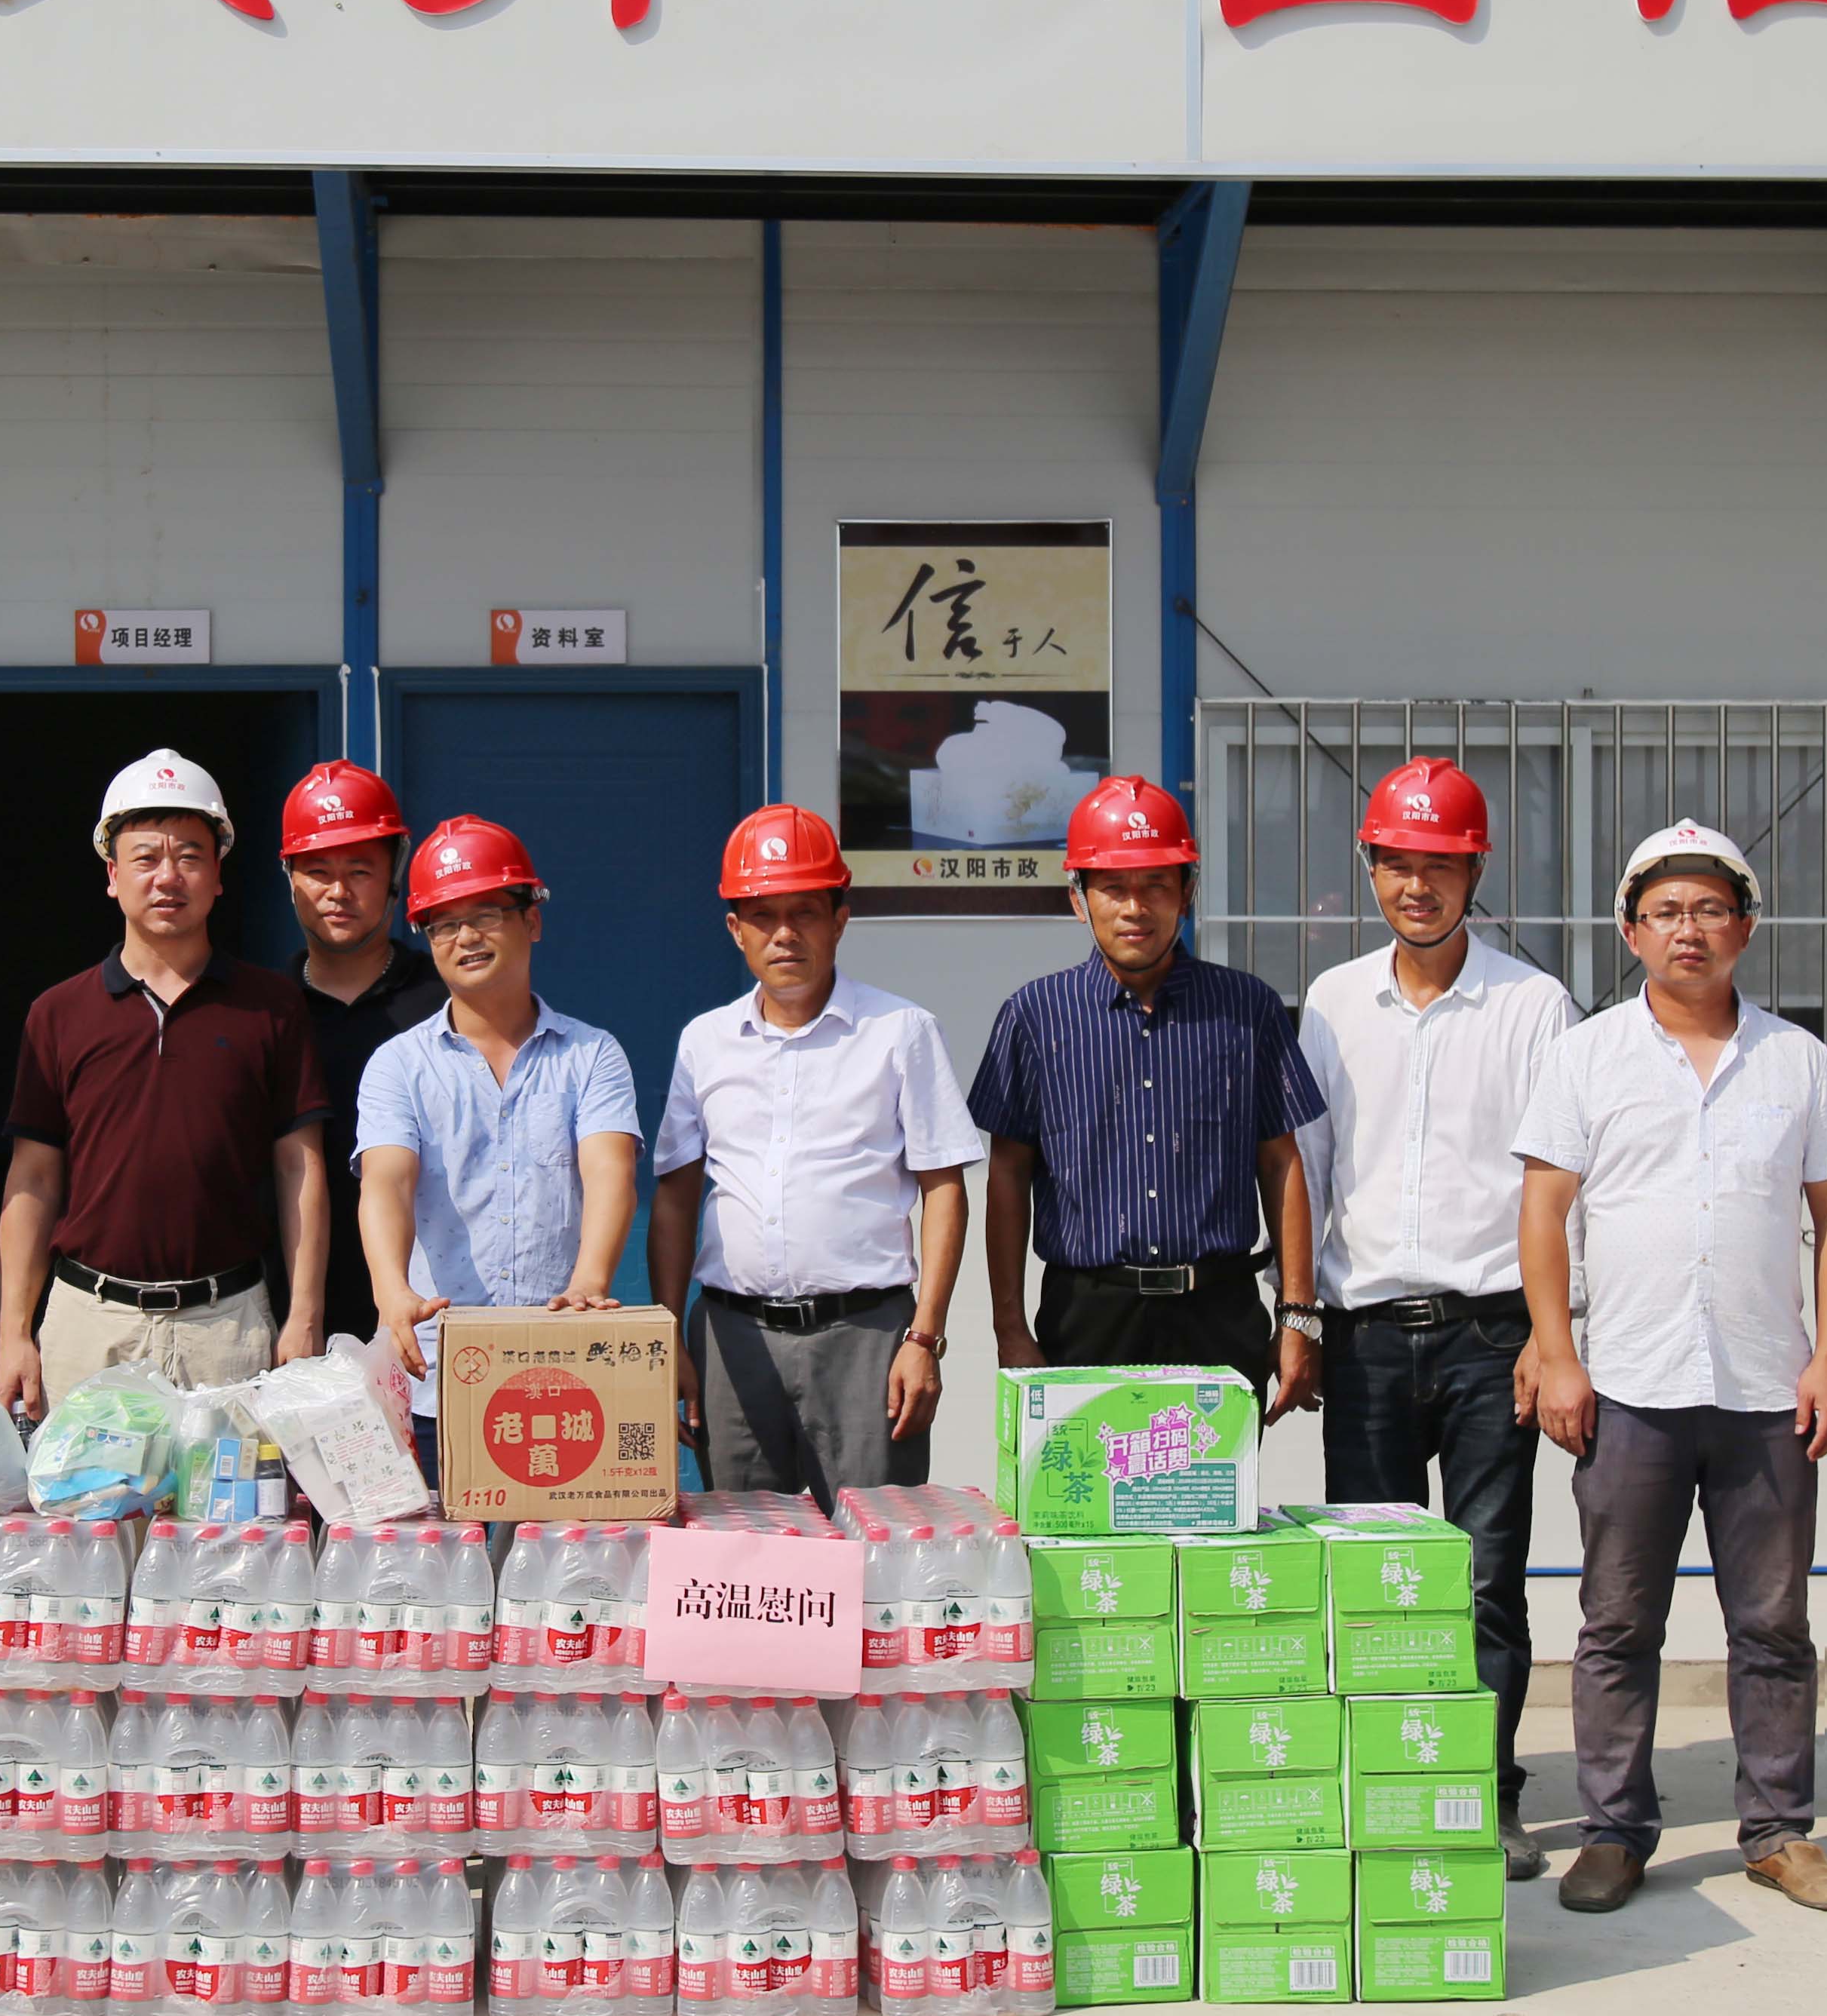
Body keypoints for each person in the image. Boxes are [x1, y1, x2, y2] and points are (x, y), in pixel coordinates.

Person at [1516, 819, 1827, 1919]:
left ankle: (1778, 1831)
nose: (1689, 930)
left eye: (1711, 910)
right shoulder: (1587, 1057)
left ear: (1745, 929)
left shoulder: (1797, 1060)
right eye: (1666, 912)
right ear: (1630, 932)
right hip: (1631, 1386)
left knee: (1772, 1627)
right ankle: (1615, 1832)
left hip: (1767, 1388)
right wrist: (1559, 1356)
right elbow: (1544, 1212)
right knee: (1619, 1624)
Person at [1294, 757, 1577, 1880]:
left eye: (1441, 865)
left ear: (1477, 870)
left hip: (1491, 1334)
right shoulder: (1331, 1002)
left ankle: (1485, 1792)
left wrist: (1555, 1337)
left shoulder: (1532, 1005)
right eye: (1398, 863)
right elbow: (1309, 1164)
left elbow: (1558, 1182)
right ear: (1370, 867)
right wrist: (1300, 1315)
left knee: (1485, 1580)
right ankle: (1383, 1787)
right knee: (1371, 1582)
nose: (1419, 886)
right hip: (1364, 1331)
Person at [650, 804, 984, 1496]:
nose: (785, 933)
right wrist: (667, 1338)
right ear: (735, 930)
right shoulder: (705, 1041)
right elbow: (677, 1197)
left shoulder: (901, 1031)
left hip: (867, 1338)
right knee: (744, 1546)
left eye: (805, 912)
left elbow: (944, 1190)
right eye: (763, 915)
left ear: (840, 920)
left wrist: (925, 1338)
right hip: (731, 1341)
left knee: (874, 1540)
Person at [0, 750, 328, 1419]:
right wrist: (13, 1332)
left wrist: (305, 1317)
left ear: (219, 875)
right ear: (112, 875)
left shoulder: (271, 1007)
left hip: (228, 1326)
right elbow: (34, 1179)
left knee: (232, 1494)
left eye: (190, 857)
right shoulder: (59, 1013)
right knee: (83, 1494)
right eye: (145, 858)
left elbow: (300, 1166)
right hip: (89, 1327)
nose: (168, 877)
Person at [969, 775, 1324, 1410]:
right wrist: (1010, 1328)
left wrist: (1297, 1315)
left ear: (1187, 893)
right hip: (1085, 1321)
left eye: (1156, 885)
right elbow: (1008, 1175)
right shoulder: (1035, 1016)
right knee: (1085, 1480)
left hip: (1219, 1316)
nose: (1135, 907)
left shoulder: (1248, 1010)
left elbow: (1281, 1163)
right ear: (1078, 898)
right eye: (1113, 887)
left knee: (1216, 1481)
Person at [355, 817, 645, 1482]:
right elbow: (386, 1182)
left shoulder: (591, 1055)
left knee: (554, 1550)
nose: (466, 937)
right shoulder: (398, 1066)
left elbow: (611, 1171)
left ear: (531, 921)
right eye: (443, 924)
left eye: (486, 915)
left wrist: (590, 1281)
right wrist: (392, 1291)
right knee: (442, 1548)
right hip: (435, 1379)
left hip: (563, 1368)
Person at [281, 759, 444, 1348]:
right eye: (317, 871)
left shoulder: (447, 1002)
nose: (338, 892)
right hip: (289, 1312)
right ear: (289, 878)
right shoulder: (262, 1010)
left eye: (359, 870)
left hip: (428, 1307)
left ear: (395, 872)